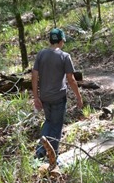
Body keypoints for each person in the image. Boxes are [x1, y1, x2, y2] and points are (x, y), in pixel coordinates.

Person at [32, 28, 83, 159]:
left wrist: (36, 97)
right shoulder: (64, 56)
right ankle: (54, 157)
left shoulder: (41, 54)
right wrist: (78, 96)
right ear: (60, 41)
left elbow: (34, 76)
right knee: (56, 126)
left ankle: (40, 151)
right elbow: (71, 79)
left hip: (44, 97)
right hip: (58, 97)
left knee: (49, 122)